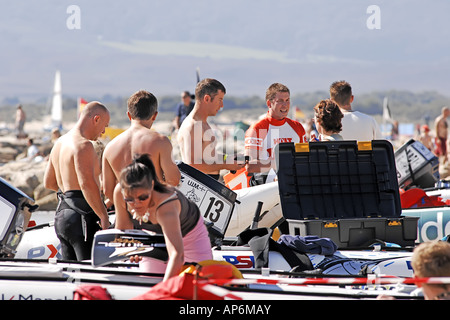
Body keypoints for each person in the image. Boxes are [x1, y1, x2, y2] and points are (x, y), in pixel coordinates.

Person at [114, 154, 212, 281]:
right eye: (130, 199)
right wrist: (132, 249)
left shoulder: (166, 207)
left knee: (195, 285)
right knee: (150, 282)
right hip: (153, 239)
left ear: (152, 186)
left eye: (143, 197)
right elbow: (123, 232)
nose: (136, 203)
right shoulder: (119, 193)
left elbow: (177, 255)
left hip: (189, 238)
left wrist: (164, 291)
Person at [43, 101, 111, 261]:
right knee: (88, 274)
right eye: (105, 126)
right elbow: (87, 184)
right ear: (96, 119)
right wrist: (104, 216)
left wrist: (69, 186)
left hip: (62, 215)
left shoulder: (59, 143)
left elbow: (49, 183)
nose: (103, 132)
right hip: (82, 217)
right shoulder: (83, 145)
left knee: (71, 275)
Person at [102, 90, 180, 211]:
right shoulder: (161, 141)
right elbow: (174, 179)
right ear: (154, 115)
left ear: (129, 115)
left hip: (125, 213)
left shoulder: (110, 147)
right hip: (154, 212)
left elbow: (107, 191)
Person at [177, 78, 244, 180]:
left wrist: (228, 158)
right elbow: (193, 164)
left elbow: (208, 156)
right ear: (207, 99)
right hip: (201, 188)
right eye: (220, 100)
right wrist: (226, 165)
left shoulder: (202, 123)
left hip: (208, 184)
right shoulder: (193, 125)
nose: (222, 106)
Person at [244, 83, 307, 179]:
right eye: (280, 101)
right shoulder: (256, 129)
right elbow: (250, 166)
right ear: (269, 103)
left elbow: (304, 158)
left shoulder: (298, 127)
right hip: (266, 185)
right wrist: (281, 163)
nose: (285, 105)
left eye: (287, 100)